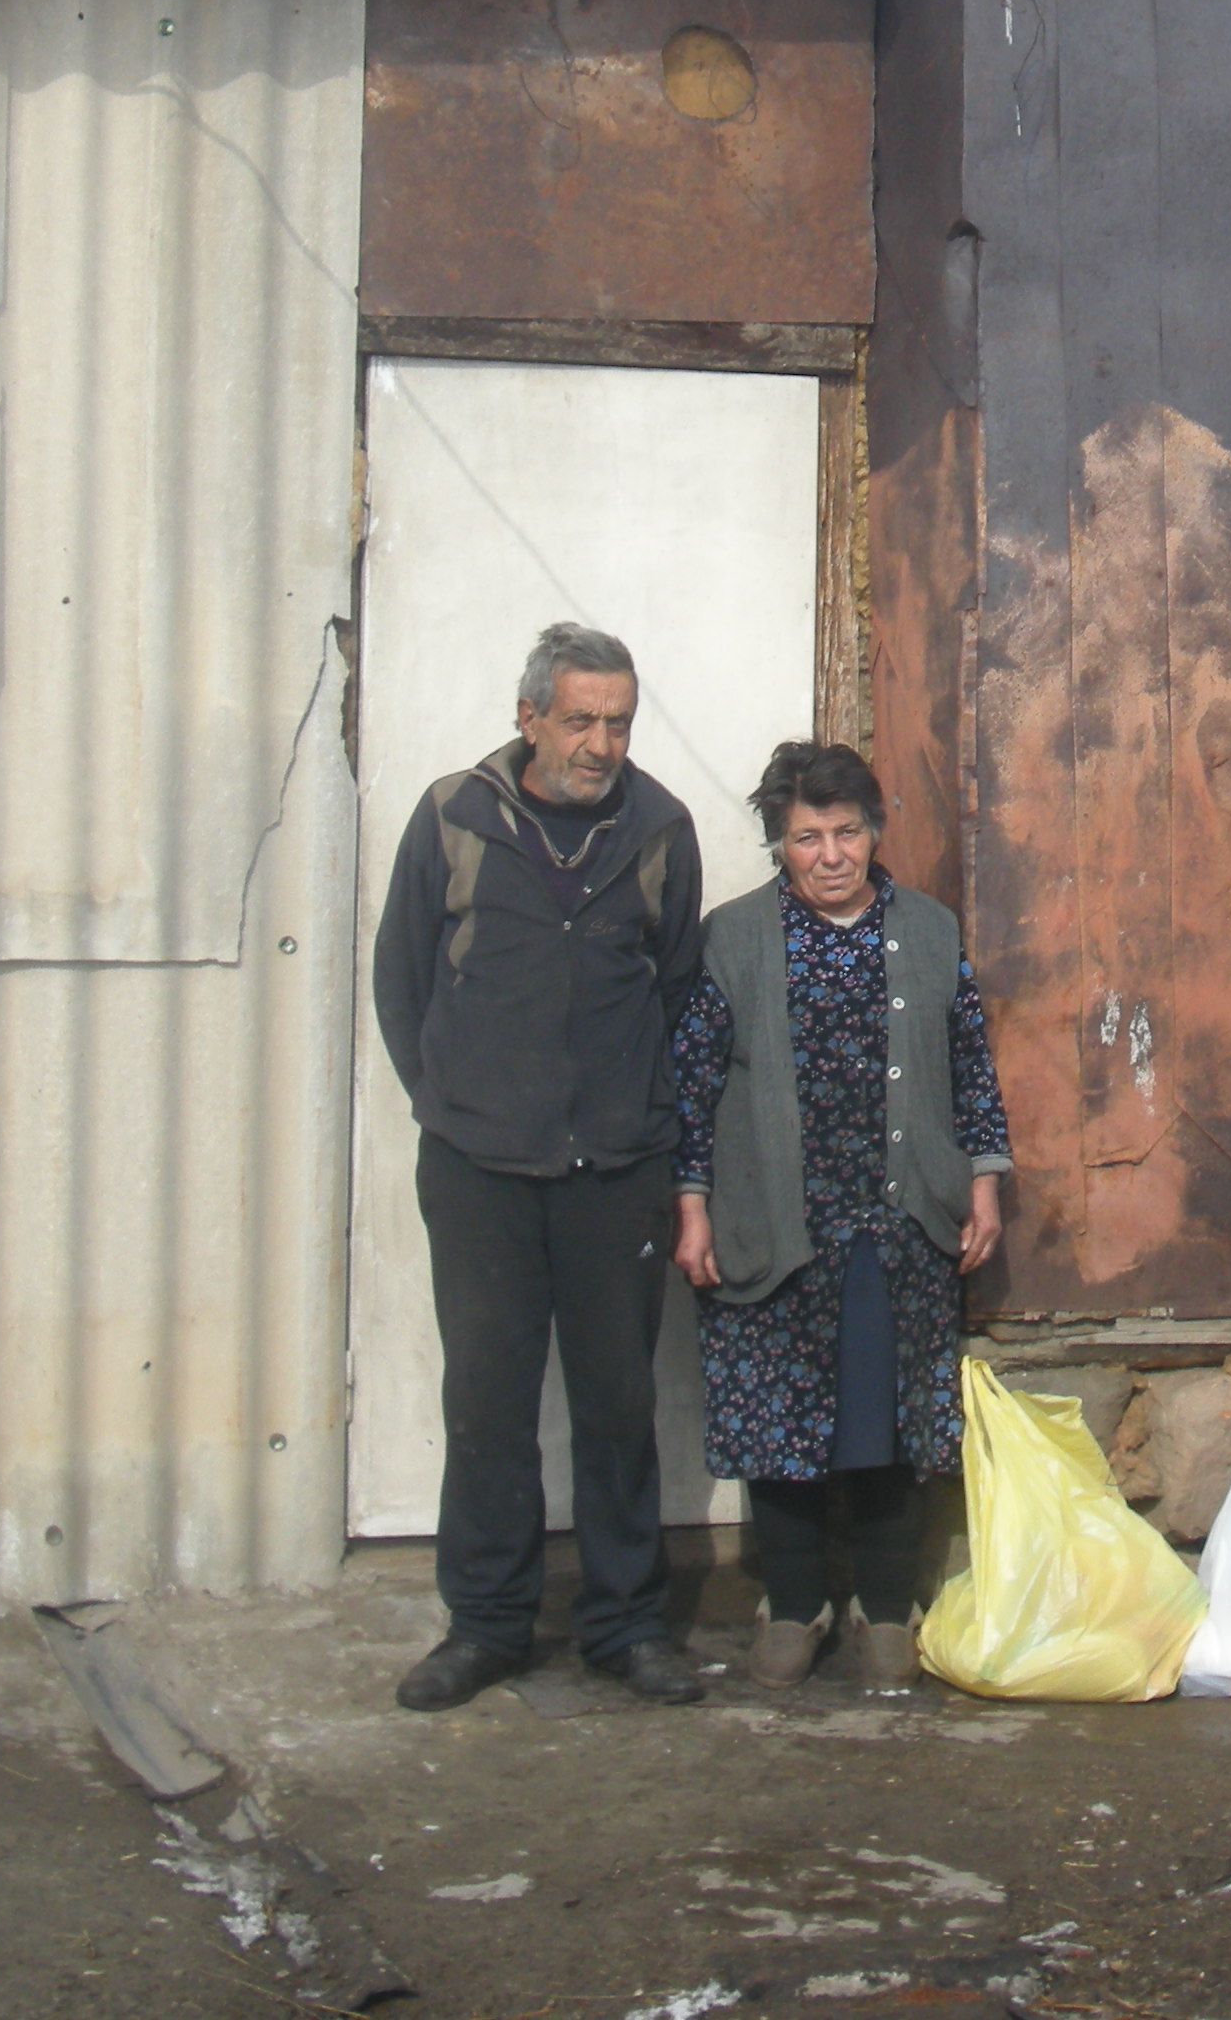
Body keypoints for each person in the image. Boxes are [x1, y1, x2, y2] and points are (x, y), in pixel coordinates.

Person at [371, 620, 709, 1712]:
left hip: (615, 1169)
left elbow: (670, 988)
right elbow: (402, 979)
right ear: (529, 718)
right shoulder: (453, 818)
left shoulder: (659, 831)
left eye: (617, 722)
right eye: (579, 720)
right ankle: (486, 1625)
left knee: (617, 1403)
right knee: (487, 1400)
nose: (599, 744)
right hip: (480, 1167)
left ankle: (624, 1624)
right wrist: (455, 1104)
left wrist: (625, 1113)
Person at [670, 740, 1013, 1688]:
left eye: (847, 832)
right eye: (806, 837)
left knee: (884, 1423)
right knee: (774, 1420)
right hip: (771, 1219)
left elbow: (971, 1070)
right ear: (780, 845)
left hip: (891, 1223)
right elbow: (692, 1085)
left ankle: (886, 1608)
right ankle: (792, 1607)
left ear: (874, 831)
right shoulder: (732, 939)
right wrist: (691, 1204)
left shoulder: (932, 931)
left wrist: (983, 1182)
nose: (829, 855)